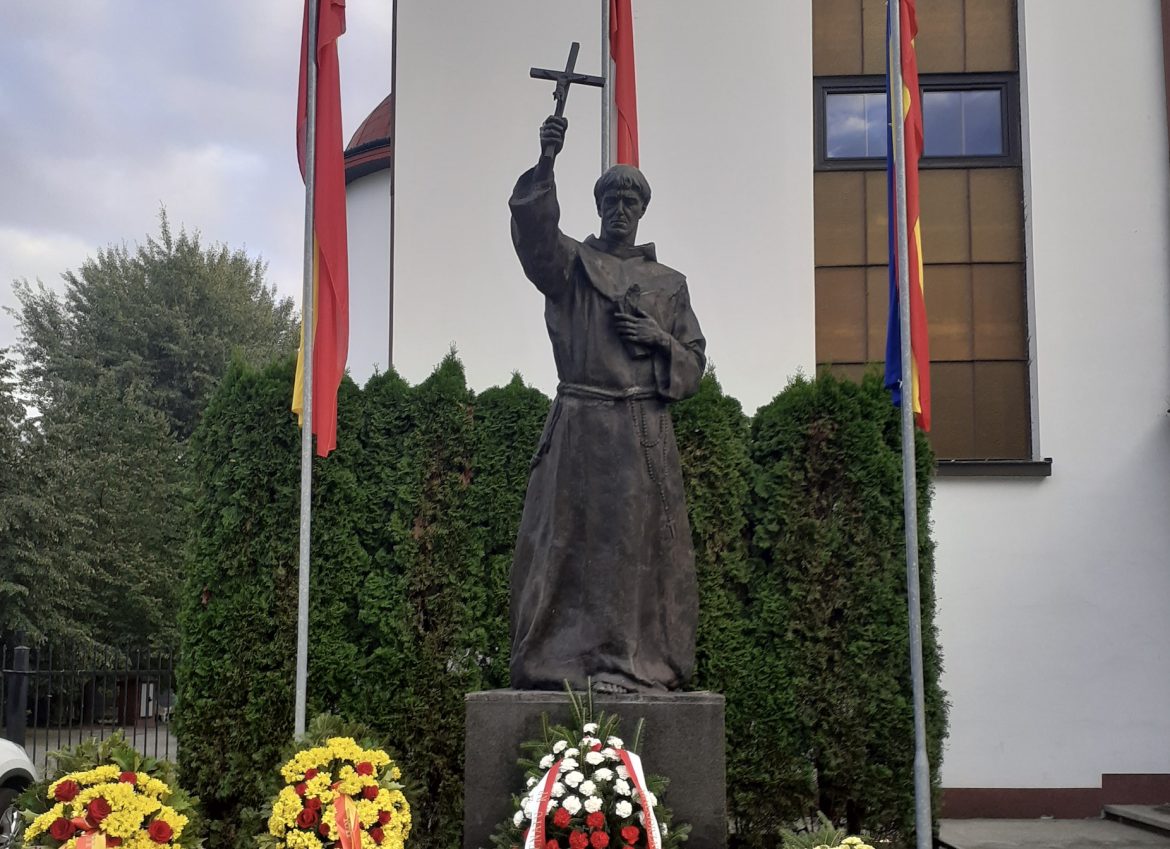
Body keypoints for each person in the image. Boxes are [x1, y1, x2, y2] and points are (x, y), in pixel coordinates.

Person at [508, 114, 706, 693]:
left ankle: (629, 662)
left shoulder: (669, 283)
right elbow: (536, 243)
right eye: (611, 200)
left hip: (642, 433)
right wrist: (546, 163)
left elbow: (693, 366)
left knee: (634, 549)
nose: (621, 209)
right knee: (563, 546)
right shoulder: (572, 265)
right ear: (598, 207)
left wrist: (657, 339)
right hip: (578, 426)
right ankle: (558, 663)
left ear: (642, 210)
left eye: (630, 201)